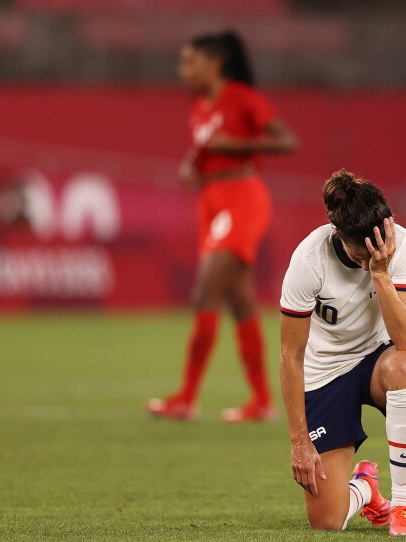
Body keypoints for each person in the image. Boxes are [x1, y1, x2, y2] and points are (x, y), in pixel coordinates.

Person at [147, 30, 299, 422]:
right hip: (212, 201)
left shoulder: (242, 98)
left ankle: (186, 397)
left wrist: (236, 146)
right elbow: (203, 149)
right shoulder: (198, 105)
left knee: (204, 292)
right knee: (240, 300)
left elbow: (287, 140)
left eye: (189, 61)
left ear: (214, 62)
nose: (182, 70)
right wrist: (190, 165)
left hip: (242, 195)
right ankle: (263, 401)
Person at [280, 170, 406, 535]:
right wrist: (299, 442)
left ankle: (403, 507)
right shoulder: (308, 260)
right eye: (359, 255)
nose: (366, 262)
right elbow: (291, 356)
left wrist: (380, 273)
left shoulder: (404, 246)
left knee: (405, 366)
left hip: (378, 359)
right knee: (327, 521)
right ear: (338, 236)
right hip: (325, 372)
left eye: (373, 254)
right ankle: (366, 488)